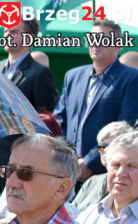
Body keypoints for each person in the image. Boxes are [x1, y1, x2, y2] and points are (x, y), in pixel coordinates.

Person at [0, 19, 58, 193]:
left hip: (18, 165)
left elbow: (45, 122)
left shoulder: (39, 73)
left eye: (14, 32)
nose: (7, 35)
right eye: (6, 31)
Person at [54, 19, 138, 180]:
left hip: (103, 172)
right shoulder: (72, 76)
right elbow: (60, 120)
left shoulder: (131, 78)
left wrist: (89, 163)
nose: (96, 43)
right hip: (66, 168)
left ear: (119, 45)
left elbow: (124, 129)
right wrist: (64, 156)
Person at [74, 121, 134, 211]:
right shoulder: (91, 181)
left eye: (112, 146)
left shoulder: (131, 185)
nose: (106, 151)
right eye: (102, 146)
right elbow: (70, 213)